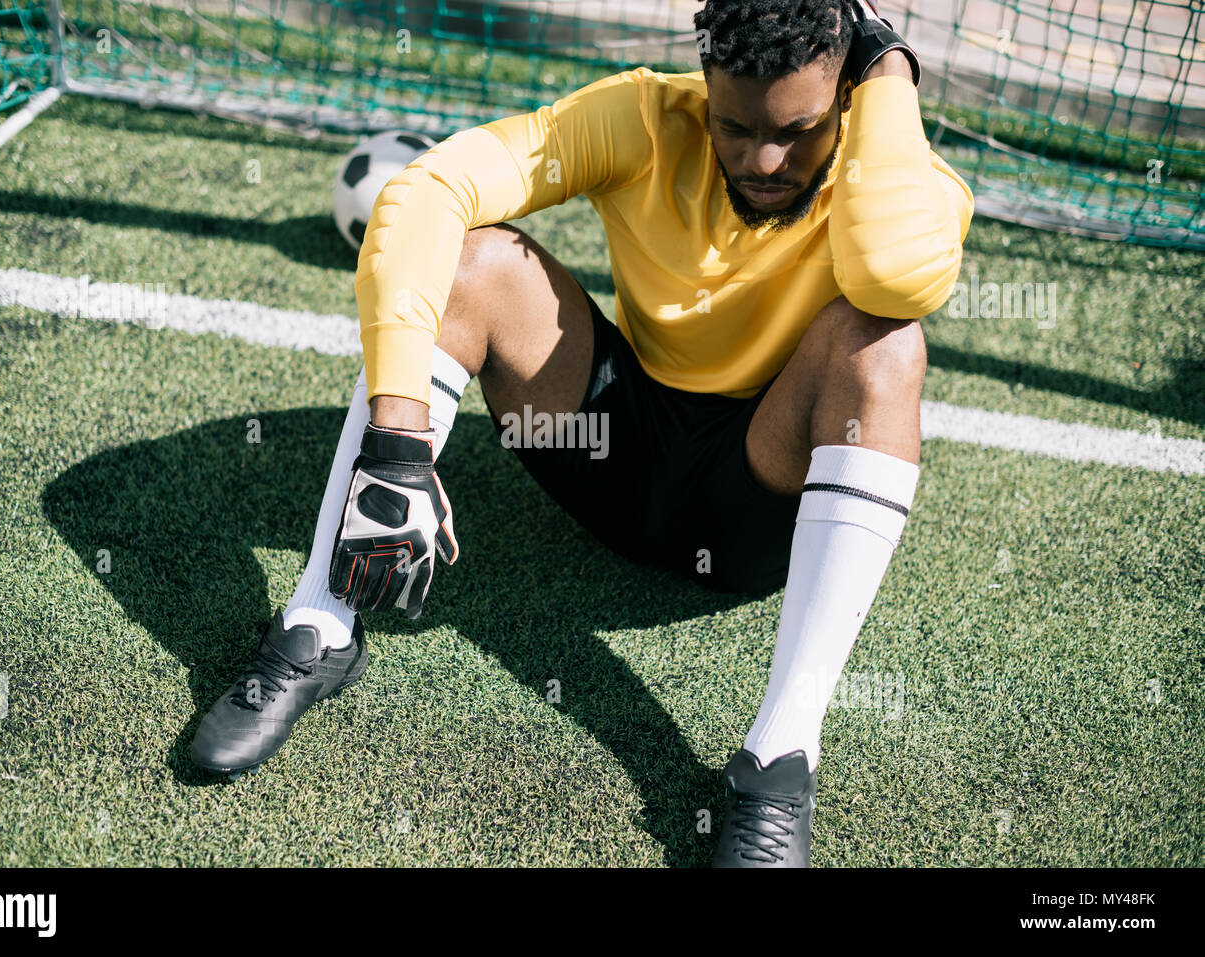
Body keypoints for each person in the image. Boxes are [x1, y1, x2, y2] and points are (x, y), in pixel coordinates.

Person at [190, 0, 973, 868]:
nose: (763, 160)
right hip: (614, 455)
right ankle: (317, 626)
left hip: (764, 500)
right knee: (471, 262)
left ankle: (779, 761)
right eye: (734, 125)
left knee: (884, 341)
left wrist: (892, 67)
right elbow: (428, 190)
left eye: (798, 130)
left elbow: (897, 274)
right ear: (704, 86)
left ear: (847, 91)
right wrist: (398, 444)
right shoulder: (643, 116)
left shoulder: (894, 171)